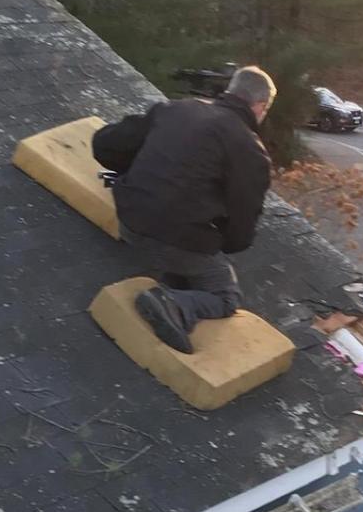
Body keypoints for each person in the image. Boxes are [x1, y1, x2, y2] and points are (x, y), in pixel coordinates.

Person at [91, 66, 276, 355]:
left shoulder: (177, 109)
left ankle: (175, 281)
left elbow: (106, 145)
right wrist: (213, 238)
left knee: (187, 253)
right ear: (261, 107)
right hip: (169, 239)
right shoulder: (251, 152)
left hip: (128, 216)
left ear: (230, 91)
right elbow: (240, 235)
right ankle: (172, 304)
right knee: (225, 294)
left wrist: (139, 174)